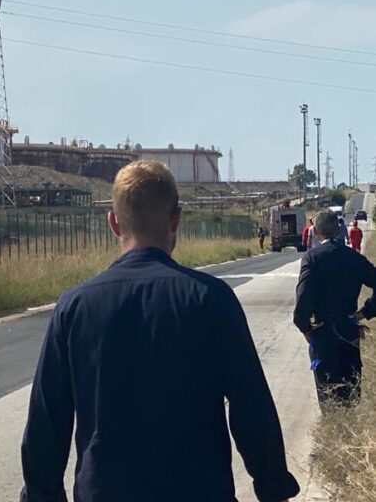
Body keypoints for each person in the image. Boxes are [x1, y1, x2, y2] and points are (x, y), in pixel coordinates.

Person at [20, 161, 299, 502]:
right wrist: (272, 486)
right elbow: (250, 404)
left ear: (113, 222)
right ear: (175, 220)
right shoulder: (211, 299)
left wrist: (41, 495)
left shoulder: (74, 307)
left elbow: (47, 426)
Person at [294, 210, 376, 410]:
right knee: (350, 392)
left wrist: (309, 326)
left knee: (329, 394)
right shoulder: (354, 258)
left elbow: (302, 302)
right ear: (339, 229)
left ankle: (334, 426)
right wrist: (365, 312)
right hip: (349, 329)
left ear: (316, 231)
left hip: (322, 333)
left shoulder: (312, 258)